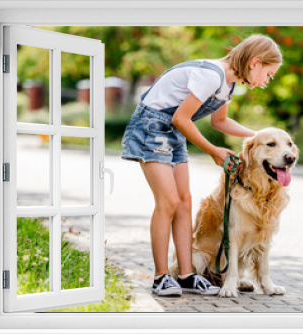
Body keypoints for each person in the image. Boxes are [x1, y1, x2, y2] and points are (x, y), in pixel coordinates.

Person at [121, 34, 282, 296]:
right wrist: (213, 151)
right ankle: (161, 277)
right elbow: (181, 118)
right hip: (152, 127)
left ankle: (186, 275)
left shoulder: (229, 84)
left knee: (185, 201)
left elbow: (220, 122)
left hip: (173, 129)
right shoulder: (212, 75)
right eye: (269, 73)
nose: (267, 81)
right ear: (254, 63)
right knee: (169, 202)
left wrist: (260, 138)